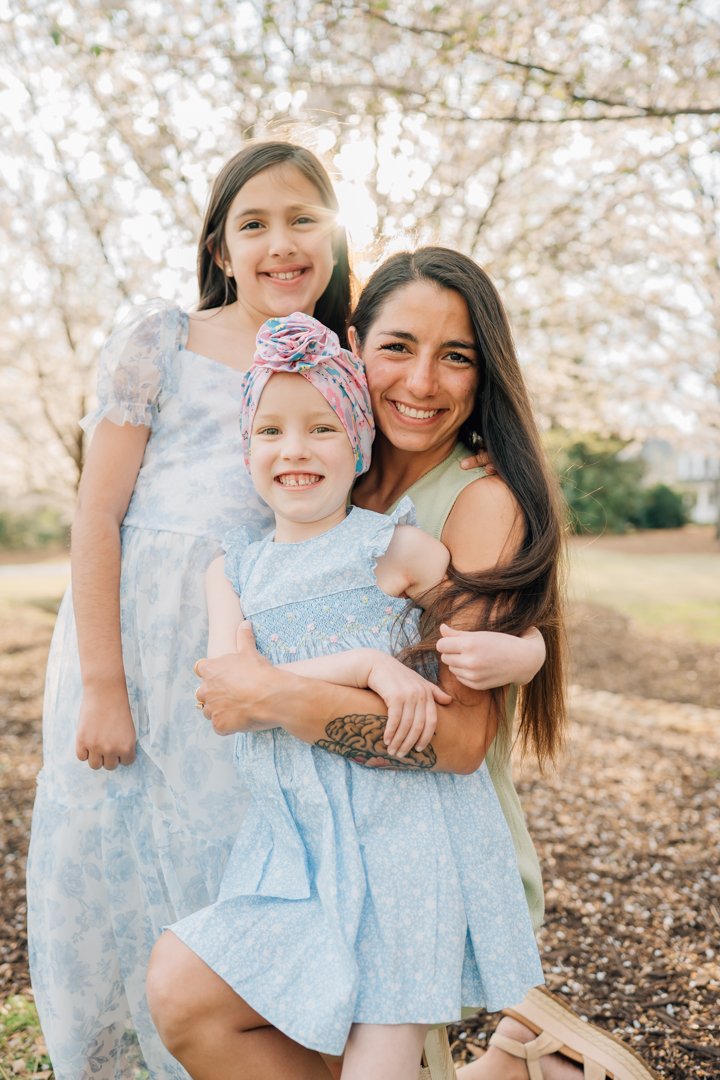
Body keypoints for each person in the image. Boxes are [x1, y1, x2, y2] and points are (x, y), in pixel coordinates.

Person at [149, 248, 657, 1080]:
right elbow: (231, 657)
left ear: (483, 374)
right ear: (353, 346)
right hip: (314, 840)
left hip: (421, 843)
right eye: (398, 347)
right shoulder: (322, 474)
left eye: (456, 356)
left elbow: (454, 739)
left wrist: (278, 693)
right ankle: (518, 1068)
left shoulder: (472, 501)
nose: (422, 381)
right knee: (190, 995)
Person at [25, 140, 357, 1080]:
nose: (280, 242)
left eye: (303, 219)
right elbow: (98, 513)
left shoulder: (341, 359)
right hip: (135, 652)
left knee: (232, 860)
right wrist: (104, 685)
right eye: (254, 224)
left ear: (334, 238)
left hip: (252, 657)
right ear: (220, 248)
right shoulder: (165, 342)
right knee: (118, 849)